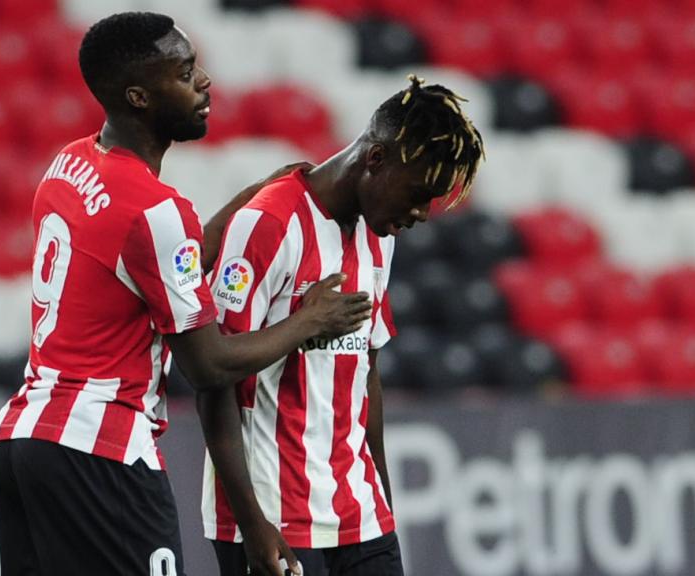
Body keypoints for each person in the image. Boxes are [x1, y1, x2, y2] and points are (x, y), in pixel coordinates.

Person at [0, 12, 373, 576]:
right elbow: (209, 364)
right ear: (139, 97)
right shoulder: (155, 209)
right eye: (185, 72)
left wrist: (251, 197)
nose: (205, 82)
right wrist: (309, 321)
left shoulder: (69, 163)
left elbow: (161, 261)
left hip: (24, 440)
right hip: (102, 449)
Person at [200, 74, 485, 576]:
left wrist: (383, 507)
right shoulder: (269, 222)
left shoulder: (381, 235)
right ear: (376, 159)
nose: (421, 213)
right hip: (273, 517)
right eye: (419, 193)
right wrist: (251, 523)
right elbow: (212, 376)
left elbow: (365, 374)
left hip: (361, 515)